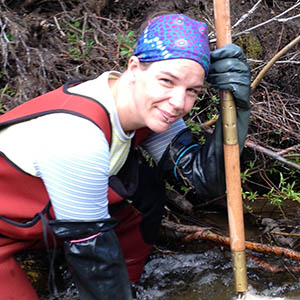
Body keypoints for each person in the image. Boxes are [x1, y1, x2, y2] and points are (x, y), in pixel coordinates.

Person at [0, 13, 251, 300]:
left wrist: (238, 109)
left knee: (144, 190)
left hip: (38, 224)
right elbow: (93, 254)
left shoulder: (150, 112)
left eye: (192, 90)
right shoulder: (78, 134)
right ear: (134, 68)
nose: (179, 103)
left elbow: (200, 179)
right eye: (167, 81)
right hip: (12, 235)